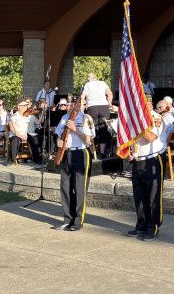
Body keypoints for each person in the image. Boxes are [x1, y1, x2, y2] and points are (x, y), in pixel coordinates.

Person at [127, 98, 166, 240]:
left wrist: (139, 125)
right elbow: (131, 138)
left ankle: (152, 226)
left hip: (152, 160)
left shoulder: (156, 118)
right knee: (139, 196)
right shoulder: (134, 118)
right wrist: (130, 151)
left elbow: (151, 137)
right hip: (138, 160)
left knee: (153, 196)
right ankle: (141, 224)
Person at [53, 98, 94, 231]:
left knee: (79, 187)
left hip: (80, 153)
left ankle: (77, 220)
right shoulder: (64, 117)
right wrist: (58, 142)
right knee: (65, 186)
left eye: (74, 104)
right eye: (69, 104)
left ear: (82, 106)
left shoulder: (85, 118)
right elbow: (59, 135)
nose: (70, 106)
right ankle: (67, 219)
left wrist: (75, 129)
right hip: (66, 153)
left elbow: (88, 140)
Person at [81, 73, 113, 157]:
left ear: (89, 79)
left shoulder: (87, 85)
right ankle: (102, 153)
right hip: (103, 106)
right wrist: (109, 104)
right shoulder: (103, 83)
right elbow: (110, 94)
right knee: (103, 129)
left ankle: (93, 153)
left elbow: (82, 97)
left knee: (93, 129)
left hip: (92, 107)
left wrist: (83, 107)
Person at [8, 99, 33, 165]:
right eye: (24, 105)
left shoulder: (28, 116)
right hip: (16, 135)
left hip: (25, 135)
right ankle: (13, 159)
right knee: (15, 140)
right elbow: (13, 130)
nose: (26, 106)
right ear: (18, 106)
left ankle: (36, 158)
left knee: (35, 138)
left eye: (26, 105)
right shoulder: (14, 116)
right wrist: (22, 136)